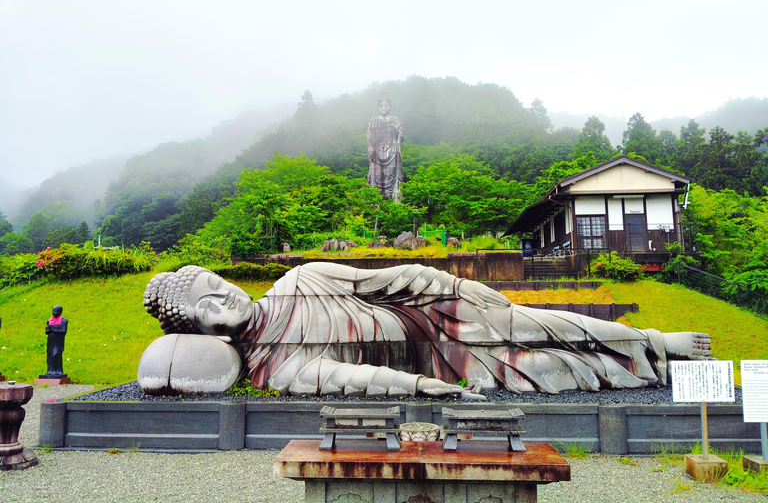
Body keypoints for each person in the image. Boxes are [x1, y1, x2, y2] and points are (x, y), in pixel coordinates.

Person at [141, 264, 711, 399]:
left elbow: (377, 282)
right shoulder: (270, 367)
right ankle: (638, 367)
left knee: (535, 323)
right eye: (208, 308)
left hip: (434, 311)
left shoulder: (299, 280)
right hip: (434, 363)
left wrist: (432, 280)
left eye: (218, 285)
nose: (226, 300)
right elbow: (349, 376)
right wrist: (419, 387)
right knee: (544, 368)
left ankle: (656, 341)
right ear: (202, 331)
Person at [366, 97, 403, 201]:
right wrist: (370, 150)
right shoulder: (373, 121)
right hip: (377, 152)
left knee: (391, 175)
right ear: (378, 107)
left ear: (390, 107)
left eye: (386, 105)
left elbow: (401, 137)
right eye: (381, 105)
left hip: (392, 151)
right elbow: (369, 137)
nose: (383, 108)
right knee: (376, 175)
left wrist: (395, 129)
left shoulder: (395, 120)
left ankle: (393, 198)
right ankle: (375, 200)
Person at [41, 305, 68, 378]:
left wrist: (53, 330)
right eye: (53, 311)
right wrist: (48, 330)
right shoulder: (49, 320)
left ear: (60, 312)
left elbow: (63, 331)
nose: (54, 313)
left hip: (58, 341)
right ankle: (50, 371)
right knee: (49, 356)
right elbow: (46, 331)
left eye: (56, 311)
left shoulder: (64, 321)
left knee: (56, 354)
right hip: (50, 340)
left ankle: (58, 371)